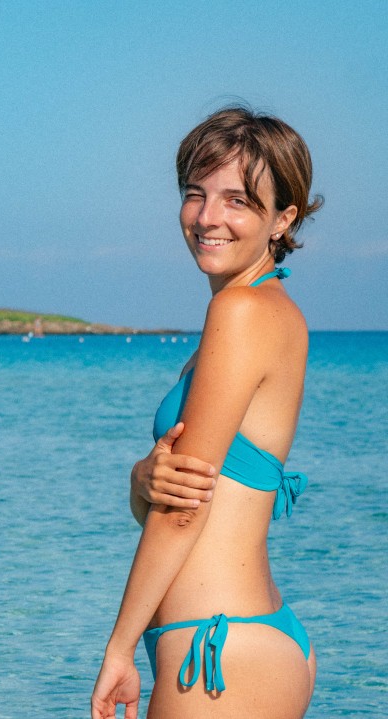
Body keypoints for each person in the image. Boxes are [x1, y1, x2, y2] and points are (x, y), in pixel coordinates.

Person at [91, 106, 322, 719]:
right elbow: (194, 488)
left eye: (237, 200)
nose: (208, 216)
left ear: (283, 218)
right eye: (196, 194)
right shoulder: (263, 311)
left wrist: (117, 650)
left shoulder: (241, 315)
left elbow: (181, 514)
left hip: (217, 654)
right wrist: (141, 478)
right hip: (244, 639)